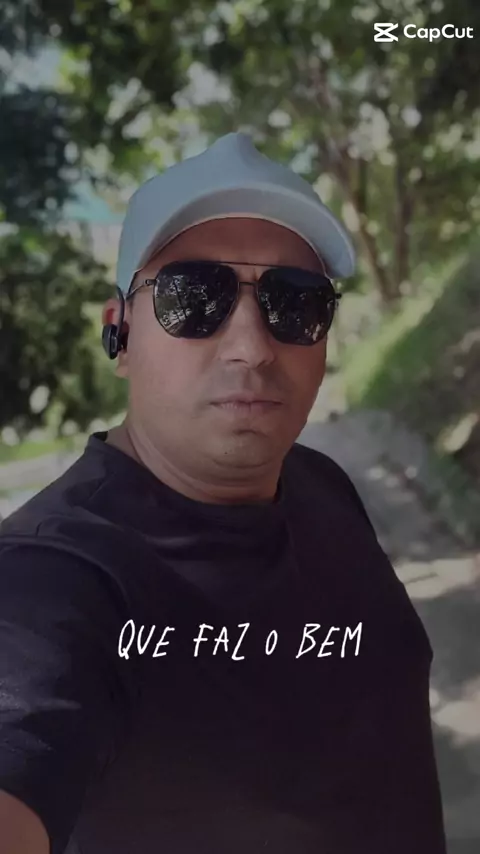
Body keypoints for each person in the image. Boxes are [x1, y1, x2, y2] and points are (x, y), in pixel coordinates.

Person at [0, 132, 446, 854]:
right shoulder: (52, 579)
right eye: (192, 297)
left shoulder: (320, 483)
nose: (252, 347)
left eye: (294, 303)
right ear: (120, 334)